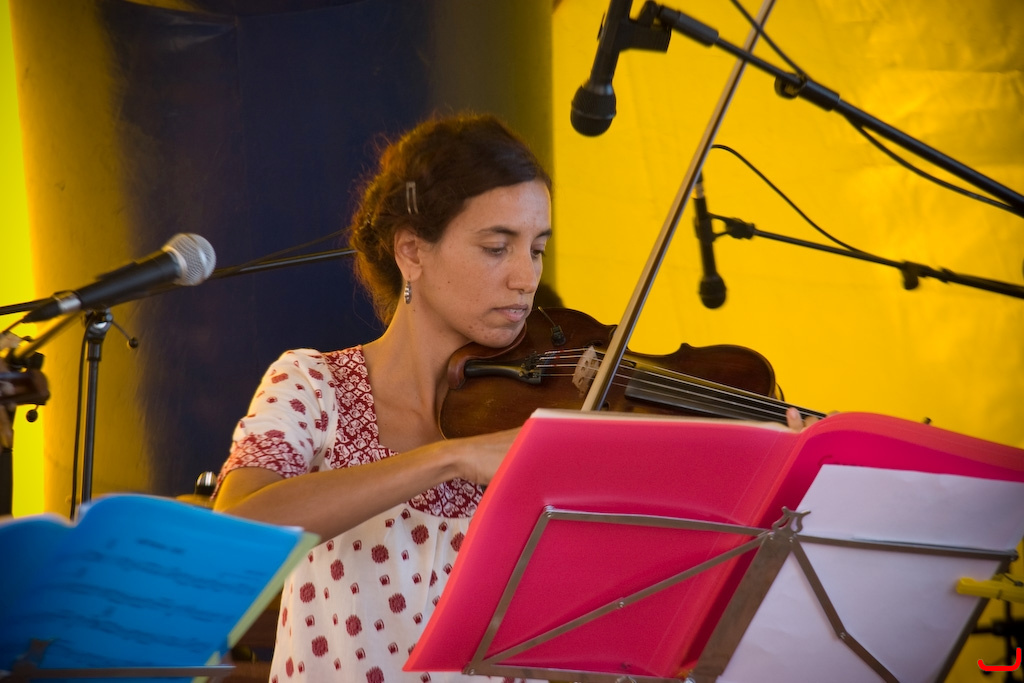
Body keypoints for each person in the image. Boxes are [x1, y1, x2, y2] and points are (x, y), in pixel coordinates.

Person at [213, 113, 553, 683]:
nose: (526, 277)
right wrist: (449, 458)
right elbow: (237, 531)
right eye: (497, 247)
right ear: (412, 251)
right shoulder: (313, 385)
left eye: (537, 249)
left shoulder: (548, 407)